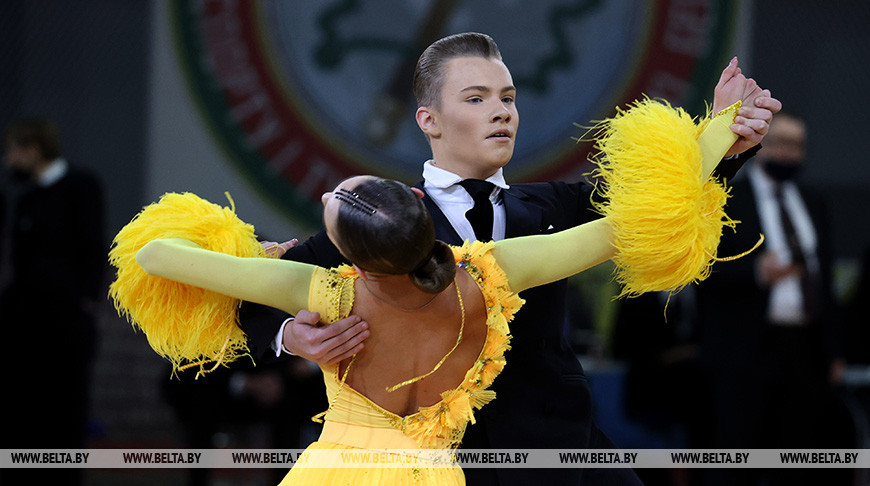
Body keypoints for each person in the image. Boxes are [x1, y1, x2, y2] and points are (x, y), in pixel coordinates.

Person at [111, 60, 763, 485]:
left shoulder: (551, 204)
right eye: (477, 98)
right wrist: (291, 341)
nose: (502, 111)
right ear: (428, 119)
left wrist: (725, 138)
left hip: (558, 446)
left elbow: (646, 212)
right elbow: (244, 309)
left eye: (509, 96)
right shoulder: (375, 225)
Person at [695, 111, 850, 486]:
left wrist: (834, 350)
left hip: (804, 348)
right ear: (762, 145)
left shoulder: (814, 202)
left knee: (798, 457)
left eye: (797, 145)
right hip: (745, 347)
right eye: (781, 143)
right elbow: (699, 269)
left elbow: (825, 282)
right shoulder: (728, 199)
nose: (789, 153)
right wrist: (755, 273)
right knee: (735, 457)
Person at [1, 118, 105, 486]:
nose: (9, 159)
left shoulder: (81, 186)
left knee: (65, 411)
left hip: (67, 327)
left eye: (14, 150)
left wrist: (84, 303)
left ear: (33, 149)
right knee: (23, 411)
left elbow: (94, 248)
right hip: (24, 326)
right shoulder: (25, 198)